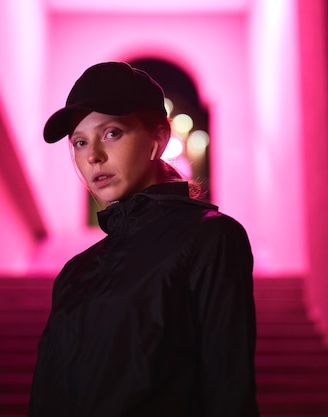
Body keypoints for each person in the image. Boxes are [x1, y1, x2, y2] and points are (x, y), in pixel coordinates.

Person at [28, 61, 259, 417]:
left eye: (112, 133)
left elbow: (229, 389)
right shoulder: (76, 272)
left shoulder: (211, 237)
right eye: (79, 142)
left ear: (158, 138)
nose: (92, 157)